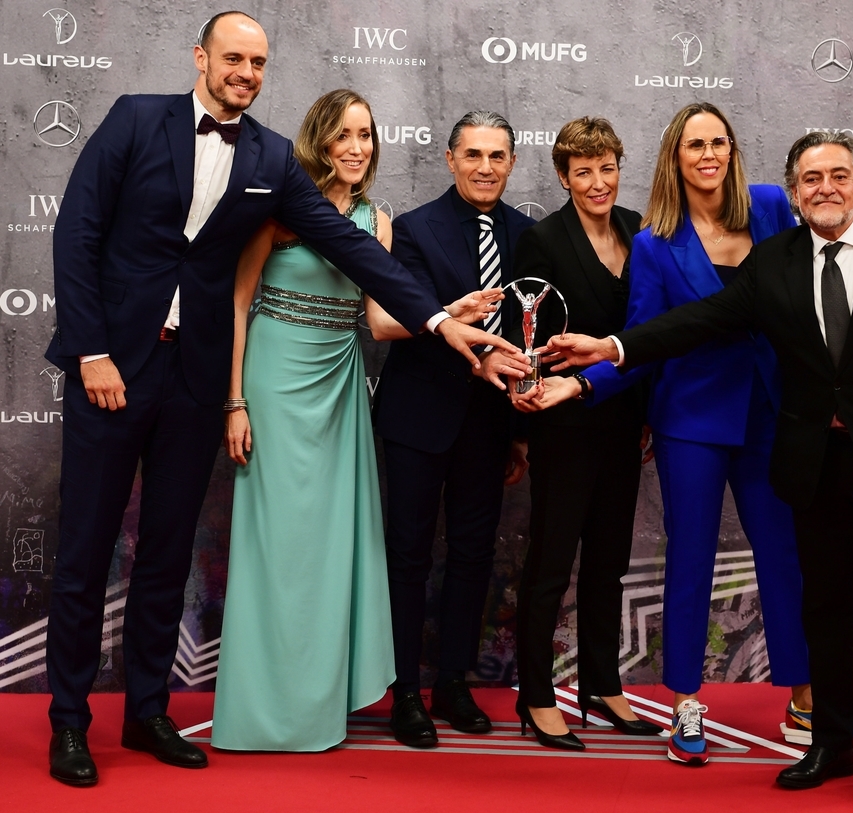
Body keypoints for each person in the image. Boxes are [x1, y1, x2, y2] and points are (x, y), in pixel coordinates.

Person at [43, 12, 516, 787]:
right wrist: (92, 349)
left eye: (258, 62)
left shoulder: (269, 157)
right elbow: (78, 233)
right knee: (88, 550)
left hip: (195, 379)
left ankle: (148, 711)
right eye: (233, 57)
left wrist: (435, 317)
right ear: (201, 57)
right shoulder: (134, 118)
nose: (246, 72)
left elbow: (352, 246)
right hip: (114, 369)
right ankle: (69, 722)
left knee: (166, 553)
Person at [544, 131, 853, 807]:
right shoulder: (774, 260)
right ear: (795, 191)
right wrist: (610, 352)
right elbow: (696, 321)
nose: (825, 188)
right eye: (811, 179)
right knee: (824, 603)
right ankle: (828, 741)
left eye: (838, 175)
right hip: (803, 455)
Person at [529, 103, 836, 765]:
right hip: (690, 420)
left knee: (784, 553)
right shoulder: (654, 241)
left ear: (732, 148)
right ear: (675, 155)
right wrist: (581, 383)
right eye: (695, 143)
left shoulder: (771, 208)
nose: (709, 154)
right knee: (691, 557)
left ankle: (809, 701)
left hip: (766, 413)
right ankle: (686, 706)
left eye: (718, 141)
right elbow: (643, 341)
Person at [210, 90, 498, 751]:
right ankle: (263, 705)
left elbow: (376, 320)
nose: (357, 146)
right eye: (343, 134)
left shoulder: (378, 220)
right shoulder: (280, 209)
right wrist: (235, 399)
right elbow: (237, 300)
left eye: (366, 134)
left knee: (327, 550)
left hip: (341, 386)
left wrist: (447, 311)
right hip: (275, 383)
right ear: (320, 139)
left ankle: (317, 704)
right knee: (275, 547)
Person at [371, 111, 535, 749]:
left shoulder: (529, 234)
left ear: (513, 163)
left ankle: (455, 683)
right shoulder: (413, 230)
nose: (485, 167)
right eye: (473, 155)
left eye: (497, 156)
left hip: (490, 422)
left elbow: (532, 332)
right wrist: (458, 328)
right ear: (449, 159)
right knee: (408, 555)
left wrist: (521, 431)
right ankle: (406, 690)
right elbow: (401, 317)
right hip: (419, 416)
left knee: (473, 554)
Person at [508, 117, 661, 750]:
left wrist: (648, 410)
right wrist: (521, 406)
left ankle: (603, 684)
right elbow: (522, 332)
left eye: (607, 168)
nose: (598, 182)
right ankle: (536, 695)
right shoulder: (543, 239)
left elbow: (652, 332)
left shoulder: (641, 231)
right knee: (550, 562)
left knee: (609, 563)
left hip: (625, 423)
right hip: (563, 423)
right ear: (564, 177)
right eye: (583, 171)